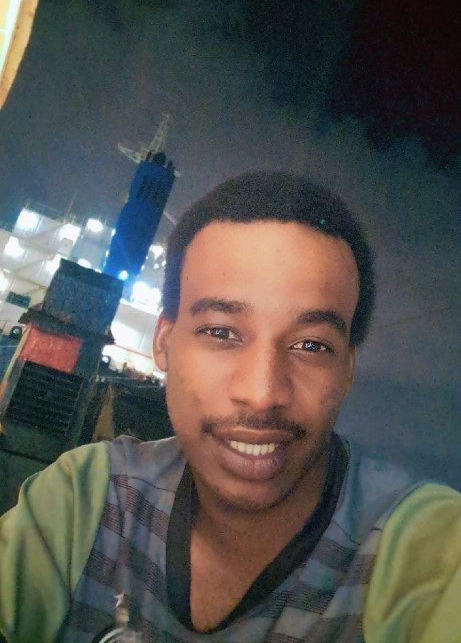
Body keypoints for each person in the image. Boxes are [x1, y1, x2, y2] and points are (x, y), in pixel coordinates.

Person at [0, 171, 460, 642]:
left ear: (346, 370)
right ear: (164, 342)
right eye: (220, 332)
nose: (262, 393)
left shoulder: (424, 553)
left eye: (311, 345)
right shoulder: (87, 501)